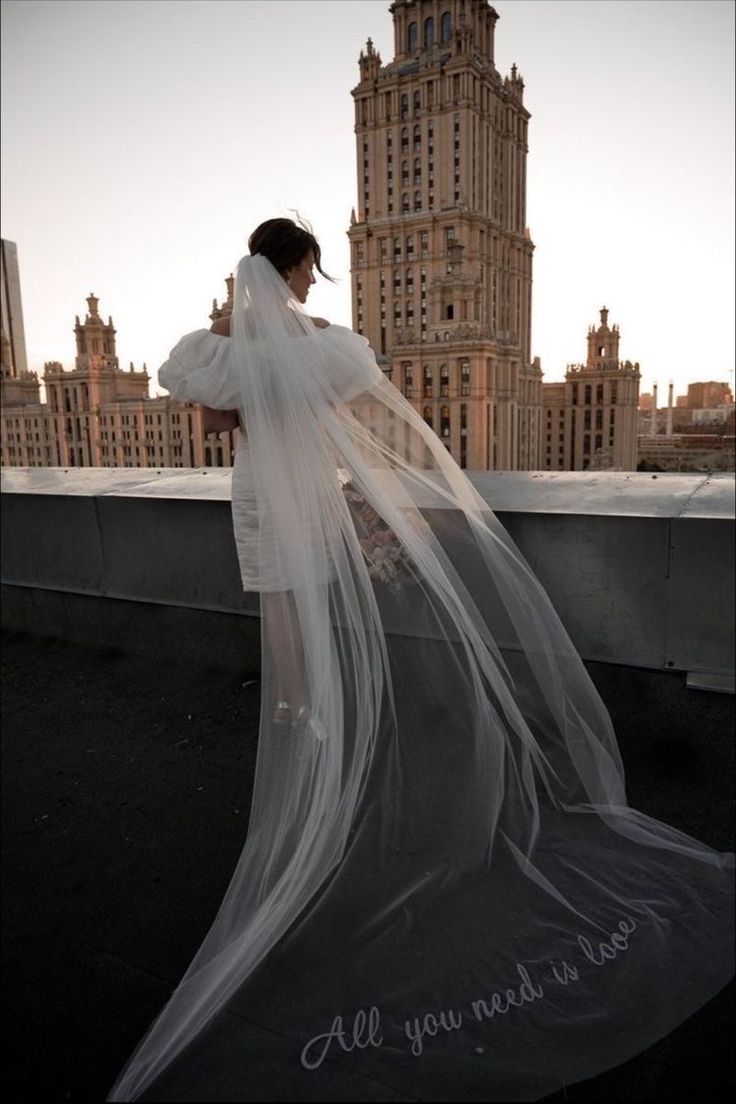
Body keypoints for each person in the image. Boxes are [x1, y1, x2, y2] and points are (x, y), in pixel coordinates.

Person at [108, 218, 734, 1102]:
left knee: (282, 633)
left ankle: (301, 744)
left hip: (258, 494)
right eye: (307, 272)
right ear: (293, 269)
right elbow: (352, 392)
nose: (307, 286)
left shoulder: (216, 346)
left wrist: (244, 369)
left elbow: (213, 423)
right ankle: (330, 743)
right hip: (310, 497)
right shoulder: (324, 344)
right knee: (316, 621)